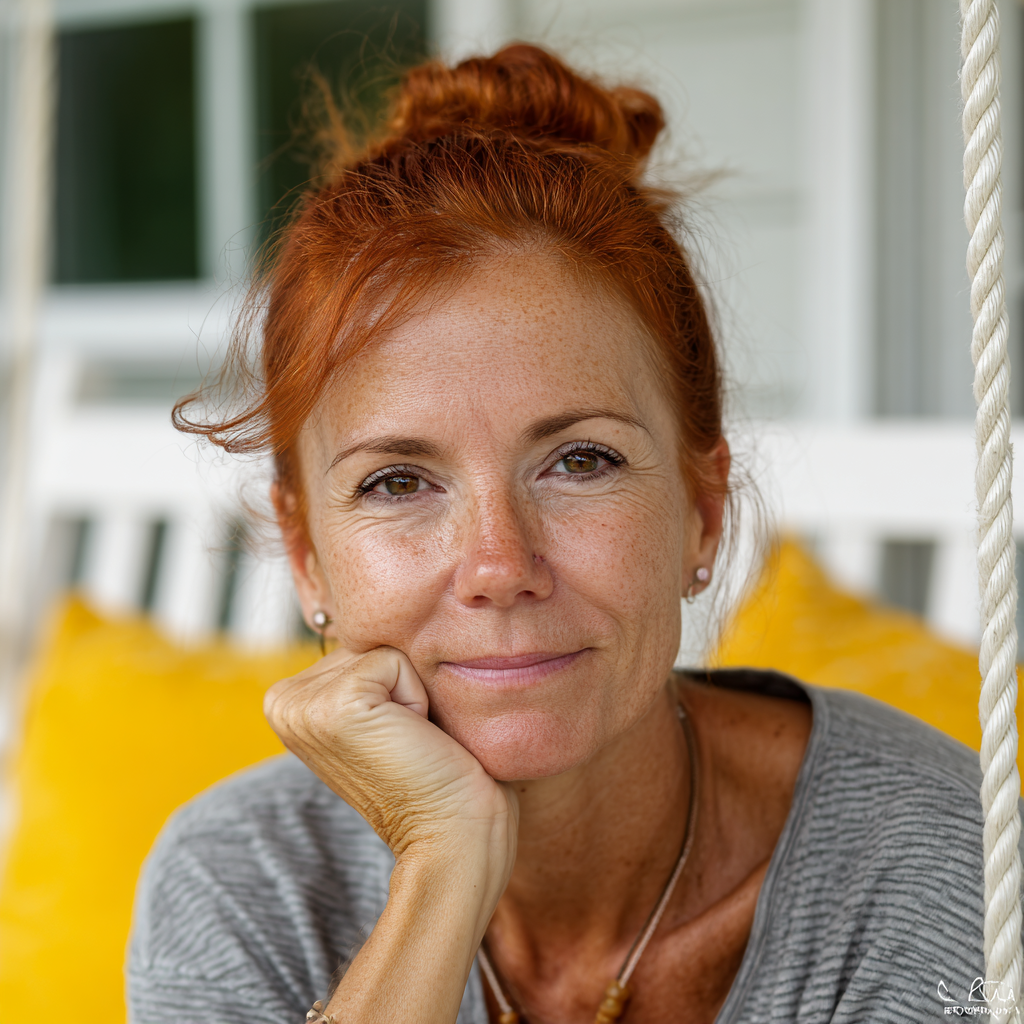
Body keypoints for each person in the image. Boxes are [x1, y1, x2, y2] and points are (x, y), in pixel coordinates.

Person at [130, 45, 992, 1024]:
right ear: (305, 556)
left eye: (580, 461)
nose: (499, 565)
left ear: (701, 513)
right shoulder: (241, 882)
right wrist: (443, 867)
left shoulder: (931, 856)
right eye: (397, 480)